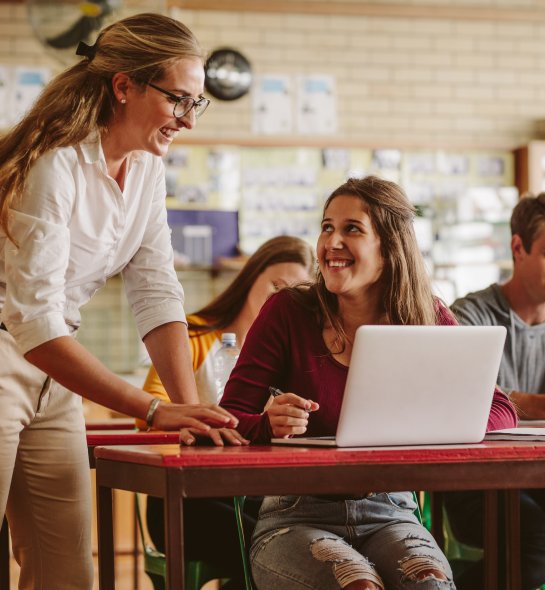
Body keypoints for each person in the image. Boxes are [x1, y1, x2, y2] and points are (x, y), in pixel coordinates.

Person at [0, 14, 239, 590]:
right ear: (124, 85)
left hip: (53, 368)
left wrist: (189, 414)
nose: (186, 119)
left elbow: (157, 290)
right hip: (16, 351)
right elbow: (32, 321)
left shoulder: (148, 170)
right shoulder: (54, 164)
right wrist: (154, 410)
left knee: (66, 573)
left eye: (197, 103)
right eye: (178, 99)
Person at [219, 176, 517, 590]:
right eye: (327, 227)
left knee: (429, 583)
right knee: (356, 584)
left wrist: (445, 420)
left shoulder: (424, 315)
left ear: (389, 248)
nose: (331, 243)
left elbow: (500, 407)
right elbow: (227, 417)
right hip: (295, 514)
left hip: (392, 511)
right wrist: (268, 425)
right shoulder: (287, 311)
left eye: (351, 229)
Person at [141, 234, 315, 589]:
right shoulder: (192, 336)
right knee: (289, 554)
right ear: (250, 278)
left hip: (258, 496)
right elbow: (151, 415)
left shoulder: (292, 357)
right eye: (275, 286)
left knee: (301, 542)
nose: (280, 300)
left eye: (293, 294)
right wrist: (192, 426)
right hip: (189, 498)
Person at [444, 193, 545, 590]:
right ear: (517, 248)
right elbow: (470, 395)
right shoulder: (470, 315)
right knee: (535, 540)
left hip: (538, 475)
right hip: (476, 479)